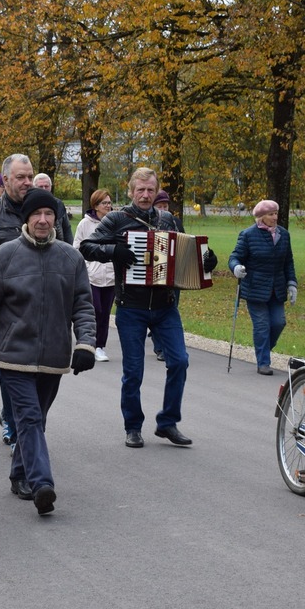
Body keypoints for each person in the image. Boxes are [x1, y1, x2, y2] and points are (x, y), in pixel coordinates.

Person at [0, 189, 97, 515]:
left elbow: (83, 305)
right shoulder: (5, 256)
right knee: (28, 419)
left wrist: (85, 344)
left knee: (36, 421)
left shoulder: (70, 258)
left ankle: (18, 474)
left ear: (56, 218)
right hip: (14, 355)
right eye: (36, 214)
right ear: (25, 219)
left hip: (54, 358)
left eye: (49, 214)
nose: (42, 220)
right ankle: (42, 483)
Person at [79, 167, 217, 448]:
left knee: (179, 361)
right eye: (140, 190)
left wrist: (207, 260)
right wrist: (113, 251)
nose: (145, 195)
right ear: (131, 191)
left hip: (166, 305)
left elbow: (186, 250)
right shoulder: (118, 219)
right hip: (131, 307)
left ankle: (167, 422)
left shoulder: (168, 219)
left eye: (150, 190)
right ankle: (133, 426)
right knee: (133, 371)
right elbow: (86, 246)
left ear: (156, 191)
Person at [0, 154, 71, 446]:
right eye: (20, 178)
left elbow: (64, 252)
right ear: (6, 180)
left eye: (30, 176)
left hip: (46, 312)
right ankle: (19, 435)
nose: (26, 182)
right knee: (13, 373)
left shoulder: (50, 211)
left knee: (40, 383)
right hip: (6, 314)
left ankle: (22, 426)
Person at [228, 200, 298, 376]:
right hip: (255, 288)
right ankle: (263, 362)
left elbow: (288, 262)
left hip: (277, 288)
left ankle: (264, 348)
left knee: (278, 322)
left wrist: (292, 283)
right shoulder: (248, 235)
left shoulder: (284, 235)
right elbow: (235, 257)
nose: (275, 217)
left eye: (276, 213)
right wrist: (236, 268)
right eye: (271, 214)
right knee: (262, 325)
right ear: (260, 217)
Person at [73, 188, 115, 362]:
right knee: (94, 310)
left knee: (105, 312)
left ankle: (100, 346)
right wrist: (87, 266)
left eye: (109, 202)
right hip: (92, 277)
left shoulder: (115, 222)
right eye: (104, 203)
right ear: (95, 205)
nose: (108, 206)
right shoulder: (85, 224)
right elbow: (76, 248)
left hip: (111, 277)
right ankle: (88, 342)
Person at [150, 190, 184, 361]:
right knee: (157, 308)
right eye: (160, 206)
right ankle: (160, 347)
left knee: (172, 307)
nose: (163, 209)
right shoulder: (148, 223)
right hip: (155, 272)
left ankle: (169, 344)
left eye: (165, 205)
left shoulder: (175, 221)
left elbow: (185, 243)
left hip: (174, 273)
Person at [31, 172, 73, 243]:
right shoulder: (29, 204)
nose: (44, 189)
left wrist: (70, 248)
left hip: (58, 246)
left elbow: (66, 229)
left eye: (46, 186)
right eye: (40, 187)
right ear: (34, 188)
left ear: (51, 187)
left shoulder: (59, 204)